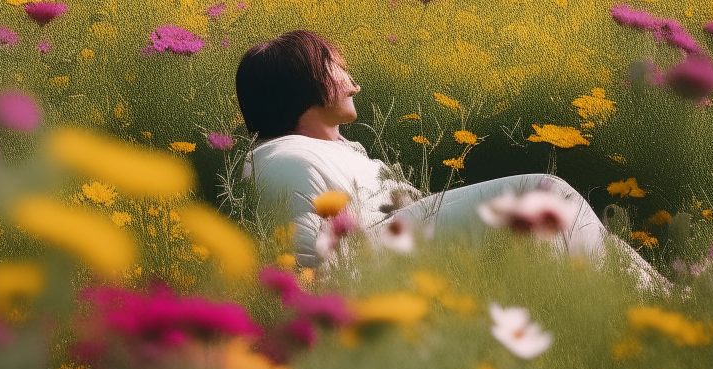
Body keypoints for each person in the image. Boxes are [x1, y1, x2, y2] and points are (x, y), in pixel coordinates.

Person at [236, 30, 658, 284]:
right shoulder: (282, 159)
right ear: (301, 85)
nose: (350, 79)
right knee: (543, 194)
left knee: (586, 233)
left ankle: (671, 300)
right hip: (380, 272)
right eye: (333, 68)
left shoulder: (340, 152)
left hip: (403, 252)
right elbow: (305, 268)